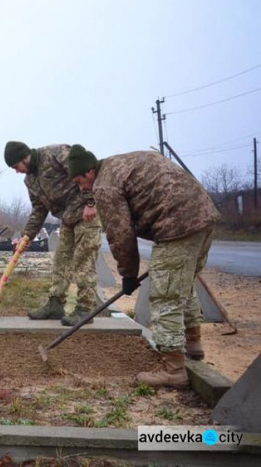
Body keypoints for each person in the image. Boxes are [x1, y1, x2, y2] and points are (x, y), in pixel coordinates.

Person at [67, 145, 220, 389]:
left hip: (176, 223)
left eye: (79, 181)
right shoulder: (123, 162)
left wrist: (128, 275)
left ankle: (173, 369)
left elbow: (121, 234)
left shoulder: (104, 184)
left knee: (165, 295)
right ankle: (193, 344)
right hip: (203, 214)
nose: (82, 188)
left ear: (89, 172)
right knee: (184, 282)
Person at [4, 141, 102, 326]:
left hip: (87, 214)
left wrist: (91, 203)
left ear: (25, 156)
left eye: (16, 166)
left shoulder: (55, 154)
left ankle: (85, 308)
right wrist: (27, 236)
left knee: (84, 260)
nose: (16, 171)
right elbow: (39, 210)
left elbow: (88, 171)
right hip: (67, 218)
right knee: (61, 261)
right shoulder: (30, 180)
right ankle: (55, 304)